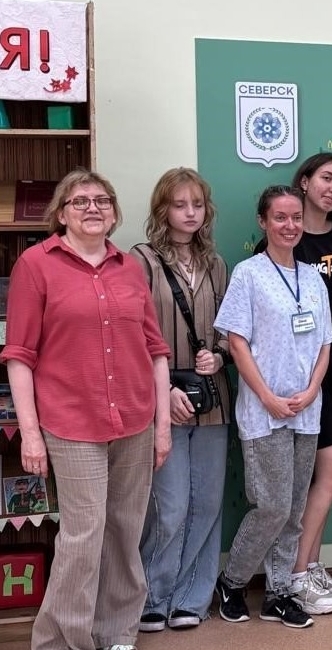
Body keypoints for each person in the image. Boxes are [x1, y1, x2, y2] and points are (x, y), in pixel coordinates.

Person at [1, 169, 171, 650]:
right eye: (79, 201)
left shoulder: (129, 268)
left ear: (114, 213)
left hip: (135, 421)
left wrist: (162, 427)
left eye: (102, 200)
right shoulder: (36, 265)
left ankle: (116, 633)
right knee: (83, 536)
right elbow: (19, 356)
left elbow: (155, 349)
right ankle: (60, 641)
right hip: (72, 424)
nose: (92, 208)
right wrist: (30, 433)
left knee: (124, 532)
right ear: (61, 214)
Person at [213, 185, 332, 629]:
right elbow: (236, 343)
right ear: (263, 222)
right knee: (272, 506)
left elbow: (325, 343)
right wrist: (267, 396)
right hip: (265, 412)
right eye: (280, 217)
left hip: (306, 410)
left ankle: (279, 593)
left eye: (296, 217)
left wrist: (312, 389)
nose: (290, 225)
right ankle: (232, 582)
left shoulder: (313, 278)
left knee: (294, 510)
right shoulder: (248, 274)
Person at [130, 168, 232, 632]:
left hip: (212, 399)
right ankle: (152, 595)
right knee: (168, 506)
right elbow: (129, 334)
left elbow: (232, 328)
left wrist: (220, 354)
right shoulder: (141, 261)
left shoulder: (216, 263)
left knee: (207, 504)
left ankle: (193, 597)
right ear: (162, 210)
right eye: (179, 204)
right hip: (162, 397)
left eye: (197, 204)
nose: (190, 213)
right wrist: (164, 391)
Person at [289, 153, 332, 603]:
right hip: (305, 377)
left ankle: (312, 568)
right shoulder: (287, 240)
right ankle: (296, 575)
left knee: (323, 477)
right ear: (304, 182)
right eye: (325, 178)